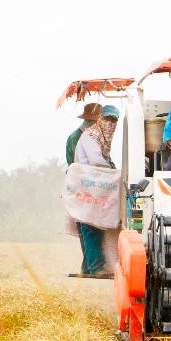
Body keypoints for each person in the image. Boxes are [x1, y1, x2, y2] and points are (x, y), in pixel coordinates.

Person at [74, 105, 120, 277]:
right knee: (89, 224)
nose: (110, 123)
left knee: (93, 224)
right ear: (100, 119)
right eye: (107, 119)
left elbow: (105, 161)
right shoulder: (90, 137)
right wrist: (115, 173)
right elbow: (97, 162)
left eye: (113, 120)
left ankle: (88, 268)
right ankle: (96, 268)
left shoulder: (101, 139)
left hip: (95, 187)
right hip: (88, 186)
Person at [65, 102, 102, 274]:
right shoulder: (79, 137)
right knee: (87, 224)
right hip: (82, 184)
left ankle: (87, 266)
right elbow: (75, 165)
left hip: (86, 184)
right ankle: (92, 266)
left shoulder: (92, 136)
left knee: (85, 225)